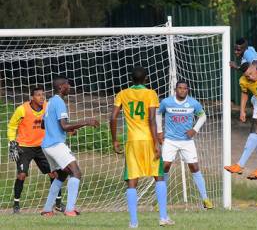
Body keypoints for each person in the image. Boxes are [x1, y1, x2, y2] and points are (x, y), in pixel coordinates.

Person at [110, 66, 174, 228]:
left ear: (132, 79)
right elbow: (152, 119)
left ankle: (133, 222)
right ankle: (163, 217)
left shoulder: (122, 94)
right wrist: (156, 143)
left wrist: (114, 140)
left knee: (132, 181)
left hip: (132, 142)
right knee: (158, 176)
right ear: (146, 79)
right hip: (147, 140)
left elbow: (113, 117)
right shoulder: (150, 94)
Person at [40, 76, 99, 217]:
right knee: (76, 172)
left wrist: (63, 129)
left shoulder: (50, 102)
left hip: (47, 145)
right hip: (55, 145)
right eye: (68, 84)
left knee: (62, 174)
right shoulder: (59, 102)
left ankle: (47, 209)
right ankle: (70, 209)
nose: (70, 86)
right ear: (61, 87)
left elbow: (44, 124)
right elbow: (64, 126)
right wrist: (86, 121)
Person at [157, 80, 212, 209]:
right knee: (164, 167)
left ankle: (205, 199)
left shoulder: (193, 103)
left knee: (194, 167)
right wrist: (159, 131)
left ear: (188, 90)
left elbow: (203, 116)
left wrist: (195, 129)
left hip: (187, 141)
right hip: (170, 140)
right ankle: (160, 202)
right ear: (175, 90)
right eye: (180, 88)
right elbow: (158, 114)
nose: (182, 90)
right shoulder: (166, 102)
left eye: (185, 88)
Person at [7, 87, 64, 213]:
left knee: (53, 173)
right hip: (24, 147)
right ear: (32, 97)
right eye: (38, 95)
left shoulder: (47, 106)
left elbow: (57, 121)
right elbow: (11, 126)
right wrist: (12, 142)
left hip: (42, 147)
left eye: (43, 95)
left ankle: (58, 204)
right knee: (22, 175)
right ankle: (16, 205)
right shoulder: (22, 109)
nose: (42, 97)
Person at [226, 38, 257, 179]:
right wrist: (242, 110)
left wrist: (237, 67)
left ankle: (240, 165)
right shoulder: (249, 50)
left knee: (255, 130)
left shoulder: (248, 55)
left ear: (244, 49)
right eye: (235, 48)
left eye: (238, 49)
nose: (235, 51)